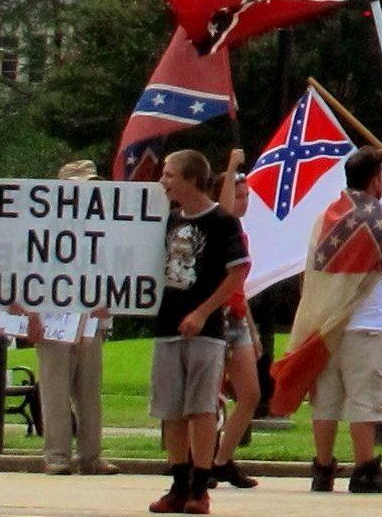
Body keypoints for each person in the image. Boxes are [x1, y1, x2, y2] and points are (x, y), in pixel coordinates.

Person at [294, 148, 382, 495]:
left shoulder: (325, 217)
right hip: (367, 324)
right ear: (376, 180)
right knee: (365, 400)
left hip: (326, 323)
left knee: (325, 400)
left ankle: (323, 468)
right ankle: (364, 469)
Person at [151, 149, 251, 516]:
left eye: (170, 174)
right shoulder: (170, 219)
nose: (164, 181)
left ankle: (200, 484)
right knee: (172, 410)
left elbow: (237, 272)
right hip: (168, 323)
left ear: (192, 179)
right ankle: (177, 484)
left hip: (205, 329)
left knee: (201, 408)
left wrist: (203, 311)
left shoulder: (222, 221)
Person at [34, 160, 116, 479]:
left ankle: (91, 455)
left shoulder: (103, 226)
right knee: (54, 388)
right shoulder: (45, 227)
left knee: (90, 390)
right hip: (53, 317)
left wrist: (109, 303)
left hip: (90, 317)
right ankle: (56, 455)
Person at [210, 159, 261, 492]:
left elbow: (243, 284)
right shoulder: (218, 226)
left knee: (250, 394)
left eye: (246, 195)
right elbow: (223, 212)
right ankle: (200, 460)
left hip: (238, 316)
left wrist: (254, 331)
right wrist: (230, 164)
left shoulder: (240, 232)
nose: (244, 201)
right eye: (238, 195)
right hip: (217, 316)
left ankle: (222, 460)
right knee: (209, 397)